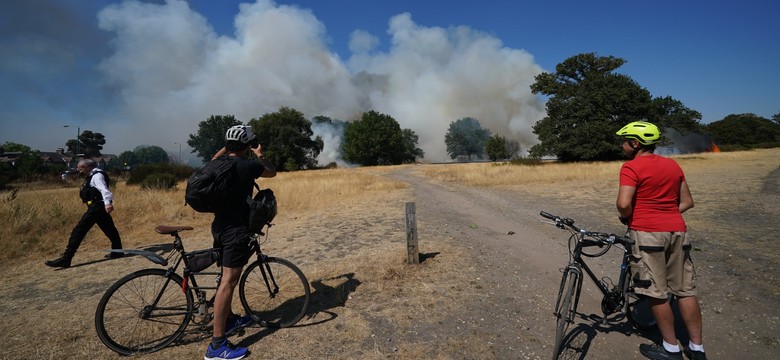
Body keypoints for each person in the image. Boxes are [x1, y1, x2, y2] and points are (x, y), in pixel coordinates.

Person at [615, 121, 707, 360]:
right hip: (678, 231)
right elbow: (687, 201)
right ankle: (697, 349)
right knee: (685, 290)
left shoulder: (631, 167)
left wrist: (627, 217)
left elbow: (624, 204)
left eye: (624, 141)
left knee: (656, 292)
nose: (622, 145)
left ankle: (671, 349)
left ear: (635, 143)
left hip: (647, 233)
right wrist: (667, 214)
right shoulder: (673, 165)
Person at [205, 125, 276, 360]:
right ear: (246, 145)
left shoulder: (218, 163)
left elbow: (213, 159)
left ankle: (229, 318)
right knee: (228, 281)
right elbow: (271, 172)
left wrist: (229, 145)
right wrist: (260, 154)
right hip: (236, 230)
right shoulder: (248, 165)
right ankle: (217, 346)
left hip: (219, 227)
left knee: (224, 277)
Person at [46, 159, 123, 268]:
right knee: (110, 229)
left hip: (96, 208)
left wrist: (107, 204)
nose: (79, 170)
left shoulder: (97, 176)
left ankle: (66, 258)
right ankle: (118, 251)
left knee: (78, 231)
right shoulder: (93, 175)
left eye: (80, 168)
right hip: (98, 207)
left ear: (87, 167)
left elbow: (104, 190)